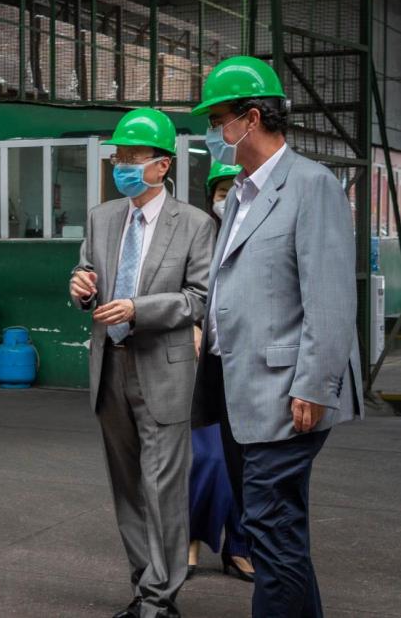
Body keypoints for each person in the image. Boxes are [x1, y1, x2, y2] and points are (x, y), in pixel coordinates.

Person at [189, 56, 364, 618]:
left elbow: (331, 299)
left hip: (287, 394)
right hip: (238, 390)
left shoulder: (309, 186)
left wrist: (314, 386)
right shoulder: (239, 194)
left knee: (268, 527)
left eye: (219, 121)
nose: (215, 134)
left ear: (252, 118)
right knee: (278, 529)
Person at [69, 108, 215, 618]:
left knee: (163, 488)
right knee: (127, 485)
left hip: (163, 368)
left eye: (133, 158)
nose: (122, 166)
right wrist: (81, 287)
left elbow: (198, 299)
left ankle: (159, 598)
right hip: (110, 366)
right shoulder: (103, 217)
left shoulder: (195, 225)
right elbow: (87, 272)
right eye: (119, 157)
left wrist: (139, 309)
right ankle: (145, 585)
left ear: (162, 166)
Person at [187, 161, 254, 583]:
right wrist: (191, 325)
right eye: (221, 188)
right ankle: (188, 540)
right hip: (201, 366)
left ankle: (239, 547)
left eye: (235, 187)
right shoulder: (197, 234)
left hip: (248, 365)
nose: (227, 196)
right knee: (208, 458)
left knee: (247, 464)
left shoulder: (258, 234)